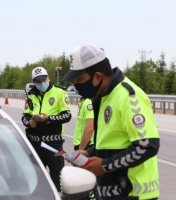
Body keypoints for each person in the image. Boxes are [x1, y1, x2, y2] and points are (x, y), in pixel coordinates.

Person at [63, 44, 160, 200]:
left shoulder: (128, 97)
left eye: (80, 80)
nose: (76, 86)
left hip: (133, 194)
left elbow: (147, 145)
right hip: (113, 192)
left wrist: (105, 165)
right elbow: (113, 142)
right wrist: (88, 153)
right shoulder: (104, 97)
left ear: (98, 76)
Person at [21, 66, 72, 192]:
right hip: (34, 144)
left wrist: (48, 119)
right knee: (35, 180)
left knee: (57, 179)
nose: (41, 83)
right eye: (38, 81)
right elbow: (24, 116)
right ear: (34, 82)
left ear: (48, 78)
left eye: (44, 80)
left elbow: (67, 116)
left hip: (53, 145)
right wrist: (30, 122)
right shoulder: (31, 95)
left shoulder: (60, 93)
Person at [73, 96, 101, 200]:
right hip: (83, 147)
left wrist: (81, 150)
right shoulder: (83, 101)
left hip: (87, 148)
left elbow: (90, 127)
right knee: (82, 185)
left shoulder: (89, 102)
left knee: (88, 184)